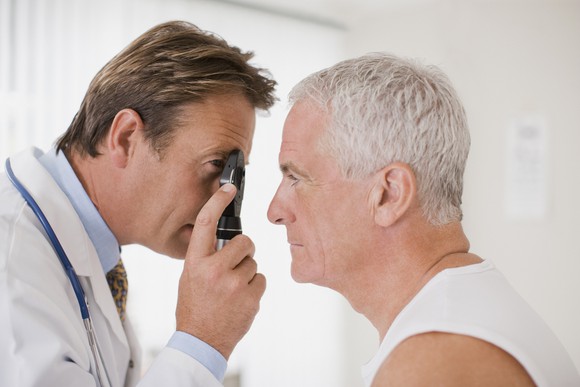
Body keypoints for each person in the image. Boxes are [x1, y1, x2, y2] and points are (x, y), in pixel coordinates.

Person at [267, 53, 580, 386]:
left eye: (296, 178)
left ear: (389, 195)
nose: (274, 211)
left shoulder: (434, 363)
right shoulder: (464, 317)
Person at [0, 21, 276, 387]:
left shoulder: (94, 259)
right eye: (215, 165)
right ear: (127, 138)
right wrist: (202, 340)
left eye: (233, 174)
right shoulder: (10, 260)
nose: (225, 200)